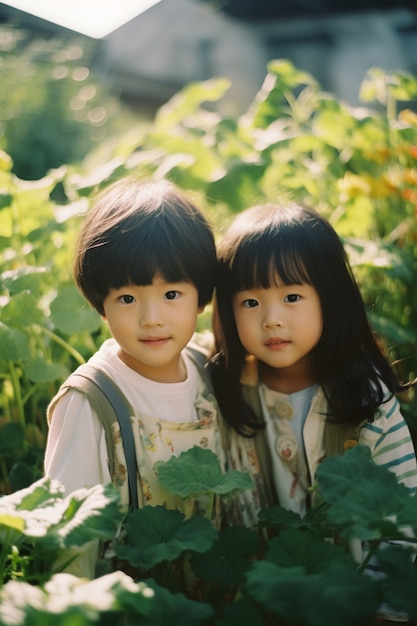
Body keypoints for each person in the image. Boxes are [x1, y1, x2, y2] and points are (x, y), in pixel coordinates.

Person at [210, 201, 417, 622]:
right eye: (250, 302)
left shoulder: (366, 402)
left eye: (291, 297)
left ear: (331, 299)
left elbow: (402, 517)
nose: (271, 319)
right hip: (260, 601)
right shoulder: (227, 388)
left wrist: (385, 612)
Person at [44, 177, 225, 577]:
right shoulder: (91, 401)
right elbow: (72, 537)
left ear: (201, 296)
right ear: (101, 305)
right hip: (129, 603)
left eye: (171, 294)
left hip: (213, 594)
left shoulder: (206, 366)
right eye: (127, 298)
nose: (151, 318)